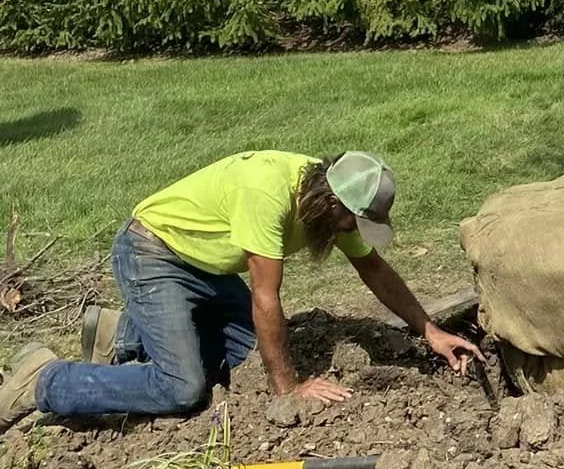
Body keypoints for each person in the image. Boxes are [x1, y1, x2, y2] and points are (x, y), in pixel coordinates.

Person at [0, 149, 483, 430]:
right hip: (153, 252)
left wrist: (429, 330)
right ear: (332, 202)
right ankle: (46, 380)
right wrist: (287, 388)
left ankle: (122, 333)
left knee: (246, 357)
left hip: (204, 265)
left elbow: (373, 268)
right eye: (352, 221)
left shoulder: (328, 200)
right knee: (182, 388)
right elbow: (265, 297)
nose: (351, 231)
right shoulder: (268, 194)